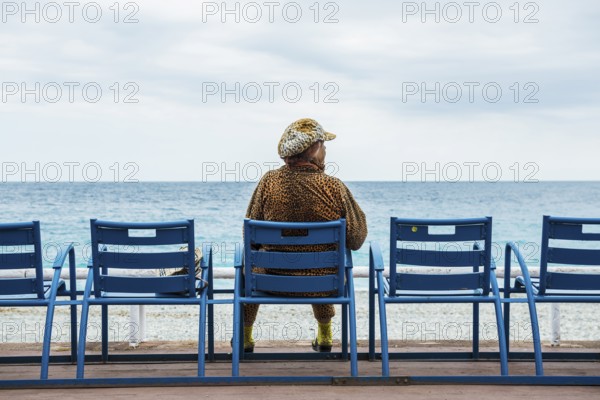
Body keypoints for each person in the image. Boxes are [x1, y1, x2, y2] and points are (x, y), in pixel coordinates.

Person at [243, 118, 367, 353]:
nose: (326, 151)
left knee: (246, 265)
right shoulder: (334, 187)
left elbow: (250, 236)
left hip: (271, 281)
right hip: (322, 283)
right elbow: (357, 238)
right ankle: (325, 335)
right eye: (324, 145)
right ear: (315, 149)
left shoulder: (268, 182)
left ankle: (245, 338)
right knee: (325, 260)